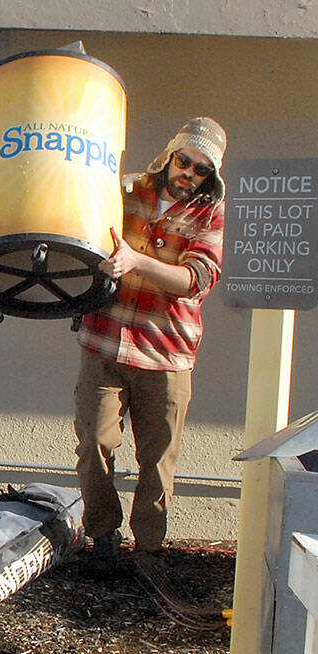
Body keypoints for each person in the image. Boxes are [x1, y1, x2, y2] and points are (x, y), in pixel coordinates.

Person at [74, 117, 227, 570]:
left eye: (202, 170)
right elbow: (81, 231)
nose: (190, 174)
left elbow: (195, 279)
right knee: (93, 445)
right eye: (186, 162)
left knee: (158, 458)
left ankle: (148, 551)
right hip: (105, 341)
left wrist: (136, 260)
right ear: (170, 154)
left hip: (167, 351)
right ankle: (103, 537)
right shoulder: (123, 191)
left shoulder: (209, 213)